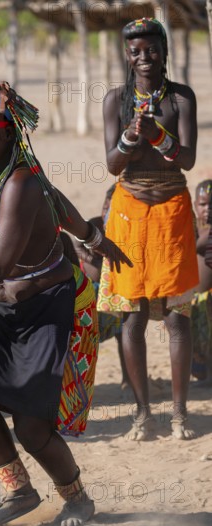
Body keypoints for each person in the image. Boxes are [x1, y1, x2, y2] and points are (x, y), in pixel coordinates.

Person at [0, 81, 132, 526]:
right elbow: (59, 202)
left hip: (42, 309)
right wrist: (94, 236)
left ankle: (76, 498)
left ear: (5, 133)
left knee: (32, 427)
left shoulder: (19, 182)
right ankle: (19, 488)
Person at [98, 17, 198, 441]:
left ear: (164, 50)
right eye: (135, 51)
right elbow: (112, 165)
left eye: (151, 49)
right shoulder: (115, 99)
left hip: (173, 208)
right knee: (133, 318)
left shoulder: (180, 98)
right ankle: (143, 415)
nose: (144, 58)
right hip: (129, 210)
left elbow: (188, 160)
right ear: (126, 54)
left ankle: (179, 415)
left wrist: (158, 136)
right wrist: (128, 140)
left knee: (177, 317)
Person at [74, 185, 129, 389]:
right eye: (106, 207)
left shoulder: (123, 230)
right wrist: (96, 260)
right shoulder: (94, 225)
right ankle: (81, 382)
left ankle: (128, 377)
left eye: (114, 208)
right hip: (90, 290)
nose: (108, 212)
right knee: (84, 338)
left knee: (124, 332)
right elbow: (75, 244)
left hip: (114, 291)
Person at [191, 180, 212, 381]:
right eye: (203, 204)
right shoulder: (192, 227)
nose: (208, 209)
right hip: (193, 299)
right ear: (195, 205)